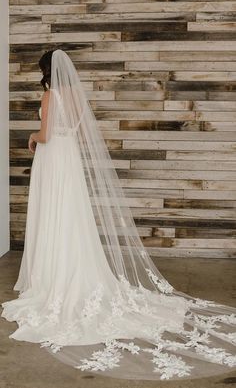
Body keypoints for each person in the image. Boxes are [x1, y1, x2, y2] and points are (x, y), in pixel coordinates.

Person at [1, 49, 236, 381]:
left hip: (53, 160)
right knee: (70, 218)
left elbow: (47, 134)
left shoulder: (50, 94)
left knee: (53, 215)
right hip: (68, 162)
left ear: (45, 71)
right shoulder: (75, 94)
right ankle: (69, 269)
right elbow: (79, 135)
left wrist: (32, 137)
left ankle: (52, 275)